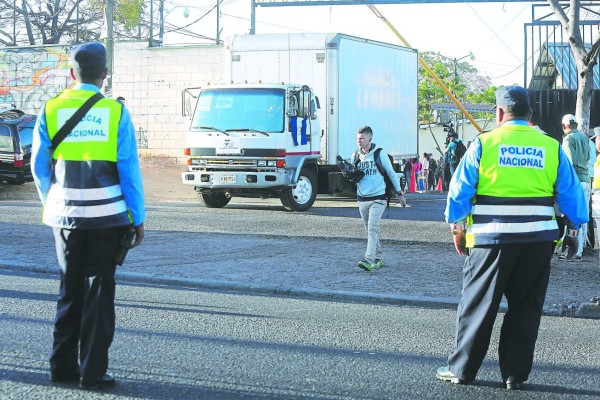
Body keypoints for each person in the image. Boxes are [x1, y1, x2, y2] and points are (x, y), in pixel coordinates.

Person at [436, 85, 587, 390]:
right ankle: (515, 374)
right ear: (530, 114)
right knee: (526, 308)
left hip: (490, 240)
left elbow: (460, 191)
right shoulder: (551, 146)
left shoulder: (485, 143)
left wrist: (458, 229)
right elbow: (572, 197)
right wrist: (573, 230)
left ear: (500, 113)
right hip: (537, 241)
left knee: (478, 305)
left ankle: (462, 370)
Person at [31, 42, 146, 390]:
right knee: (99, 292)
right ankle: (93, 372)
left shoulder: (51, 109)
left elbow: (39, 167)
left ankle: (61, 366)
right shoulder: (115, 112)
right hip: (108, 218)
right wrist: (137, 217)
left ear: (71, 73)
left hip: (65, 217)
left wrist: (54, 202)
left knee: (70, 289)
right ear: (104, 75)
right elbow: (128, 169)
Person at [352, 125, 402, 271]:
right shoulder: (355, 155)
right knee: (369, 230)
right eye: (357, 139)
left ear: (370, 139)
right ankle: (379, 258)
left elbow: (391, 174)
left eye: (362, 138)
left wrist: (400, 193)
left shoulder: (380, 154)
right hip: (362, 198)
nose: (359, 141)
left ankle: (368, 260)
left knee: (372, 229)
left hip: (378, 198)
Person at [559, 114, 591, 262]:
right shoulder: (584, 137)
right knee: (583, 216)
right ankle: (580, 249)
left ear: (564, 126)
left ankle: (570, 251)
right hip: (586, 180)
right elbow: (588, 158)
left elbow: (568, 163)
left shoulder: (568, 139)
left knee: (571, 216)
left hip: (575, 182)